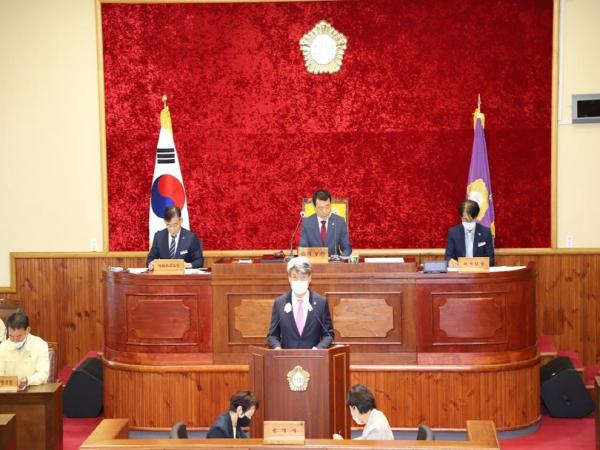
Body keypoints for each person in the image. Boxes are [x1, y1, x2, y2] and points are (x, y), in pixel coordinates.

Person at [267, 257, 334, 349]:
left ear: (309, 278)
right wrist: (277, 348)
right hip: (287, 356)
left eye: (303, 277)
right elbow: (272, 336)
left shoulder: (321, 303)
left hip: (313, 357)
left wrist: (318, 350)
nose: (299, 281)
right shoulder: (280, 303)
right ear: (289, 279)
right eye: (295, 277)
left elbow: (328, 335)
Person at [0, 312, 49, 390]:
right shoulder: (3, 347)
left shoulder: (40, 345)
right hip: (8, 392)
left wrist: (27, 380)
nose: (15, 340)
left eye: (19, 336)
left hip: (33, 390)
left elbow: (43, 374)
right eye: (11, 336)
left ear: (28, 330)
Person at [299, 189, 352, 257]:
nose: (324, 210)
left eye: (327, 206)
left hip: (334, 263)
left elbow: (347, 248)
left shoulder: (339, 222)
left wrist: (340, 259)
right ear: (314, 207)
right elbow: (303, 248)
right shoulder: (307, 223)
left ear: (331, 204)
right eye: (320, 208)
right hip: (314, 262)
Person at [445, 199, 495, 267]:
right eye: (465, 219)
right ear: (461, 217)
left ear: (476, 217)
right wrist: (450, 261)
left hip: (479, 271)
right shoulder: (453, 233)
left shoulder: (486, 232)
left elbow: (491, 260)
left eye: (471, 220)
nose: (468, 222)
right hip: (460, 271)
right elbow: (448, 257)